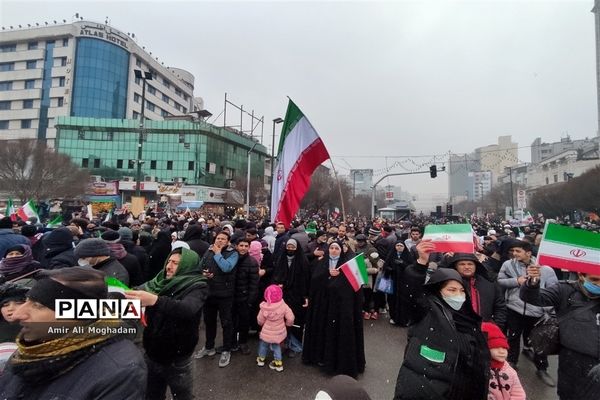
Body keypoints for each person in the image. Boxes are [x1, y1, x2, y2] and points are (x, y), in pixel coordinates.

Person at [0, 267, 147, 399]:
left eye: (38, 306)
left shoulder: (119, 372)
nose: (18, 314)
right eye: (26, 301)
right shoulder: (31, 348)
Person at [394, 240, 490, 400]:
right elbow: (412, 295)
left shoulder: (469, 320)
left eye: (461, 291)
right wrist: (421, 262)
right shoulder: (427, 312)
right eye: (451, 290)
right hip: (429, 391)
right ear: (438, 292)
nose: (458, 295)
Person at [125, 247, 208, 400]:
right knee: (152, 394)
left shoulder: (197, 286)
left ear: (187, 266)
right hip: (152, 352)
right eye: (169, 261)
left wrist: (155, 300)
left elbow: (187, 309)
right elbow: (138, 291)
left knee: (182, 395)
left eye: (175, 263)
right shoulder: (159, 280)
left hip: (178, 358)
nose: (169, 266)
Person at [520, 267, 600, 400]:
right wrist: (532, 283)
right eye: (594, 280)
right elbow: (534, 298)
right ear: (581, 275)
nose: (598, 285)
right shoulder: (565, 290)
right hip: (572, 361)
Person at [497, 240, 557, 386]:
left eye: (518, 251)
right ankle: (512, 363)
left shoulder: (546, 269)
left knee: (539, 340)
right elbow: (500, 281)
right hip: (514, 308)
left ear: (528, 253)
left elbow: (553, 291)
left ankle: (542, 368)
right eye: (513, 251)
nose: (514, 254)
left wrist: (548, 311)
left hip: (536, 311)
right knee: (513, 336)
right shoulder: (508, 265)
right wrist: (517, 281)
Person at [303, 241, 366, 378]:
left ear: (341, 251)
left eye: (336, 248)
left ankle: (337, 362)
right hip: (323, 307)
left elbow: (352, 289)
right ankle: (321, 358)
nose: (333, 250)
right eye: (331, 248)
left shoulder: (346, 265)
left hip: (338, 309)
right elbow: (314, 281)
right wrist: (327, 274)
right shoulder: (321, 263)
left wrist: (340, 277)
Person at [194, 231, 239, 368]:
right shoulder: (209, 250)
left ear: (228, 241)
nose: (219, 241)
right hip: (209, 292)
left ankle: (226, 349)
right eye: (218, 238)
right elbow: (200, 266)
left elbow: (226, 268)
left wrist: (218, 253)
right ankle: (209, 347)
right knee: (209, 321)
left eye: (223, 239)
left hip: (225, 294)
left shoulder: (233, 253)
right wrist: (204, 273)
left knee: (226, 322)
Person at [272, 238, 310, 358]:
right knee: (281, 320)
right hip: (282, 295)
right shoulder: (280, 259)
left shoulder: (303, 261)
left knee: (295, 321)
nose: (290, 249)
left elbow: (306, 280)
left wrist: (306, 296)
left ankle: (294, 345)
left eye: (293, 247)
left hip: (297, 296)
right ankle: (282, 344)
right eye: (288, 246)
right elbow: (275, 275)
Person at [448, 253, 507, 329]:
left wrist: (496, 326)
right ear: (456, 266)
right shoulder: (448, 285)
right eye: (462, 264)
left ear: (476, 266)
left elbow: (500, 306)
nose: (467, 267)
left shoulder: (489, 283)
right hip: (458, 330)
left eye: (470, 264)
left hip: (485, 329)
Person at [481, 322, 526, 400]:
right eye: (496, 347)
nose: (502, 352)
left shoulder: (511, 372)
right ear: (486, 348)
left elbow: (518, 394)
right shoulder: (480, 370)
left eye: (504, 348)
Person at [256, 284, 295, 372]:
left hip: (267, 332)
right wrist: (288, 324)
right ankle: (278, 363)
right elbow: (291, 317)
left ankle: (261, 360)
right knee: (276, 346)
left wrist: (261, 324)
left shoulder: (264, 307)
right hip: (279, 332)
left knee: (263, 345)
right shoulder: (283, 305)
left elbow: (260, 319)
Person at [232, 238, 259, 355]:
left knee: (244, 321)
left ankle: (243, 342)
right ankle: (231, 342)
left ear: (249, 247)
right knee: (230, 321)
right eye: (241, 245)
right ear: (237, 246)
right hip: (231, 296)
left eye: (245, 246)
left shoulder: (252, 262)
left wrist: (250, 300)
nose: (243, 248)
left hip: (244, 297)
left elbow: (254, 283)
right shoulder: (231, 259)